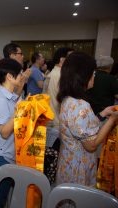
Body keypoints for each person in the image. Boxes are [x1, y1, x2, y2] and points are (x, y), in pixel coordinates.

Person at [56, 52, 118, 186]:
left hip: (68, 163)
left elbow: (83, 127)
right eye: (93, 72)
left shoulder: (68, 99)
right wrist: (112, 120)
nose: (94, 75)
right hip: (79, 167)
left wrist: (102, 114)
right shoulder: (81, 105)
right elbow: (92, 145)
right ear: (83, 76)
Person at [0, 58, 28, 208]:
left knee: (4, 196)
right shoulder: (0, 100)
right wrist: (17, 112)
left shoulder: (9, 97)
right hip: (1, 156)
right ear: (10, 77)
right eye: (20, 74)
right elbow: (4, 132)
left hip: (8, 153)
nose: (22, 76)